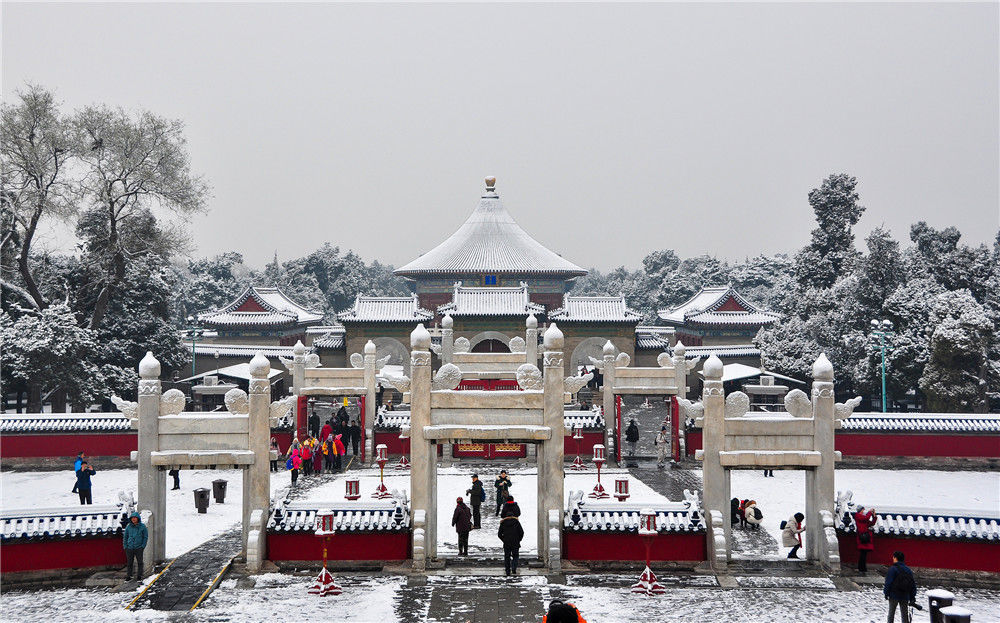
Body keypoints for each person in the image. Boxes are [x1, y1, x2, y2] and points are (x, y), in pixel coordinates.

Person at [884, 550, 917, 623]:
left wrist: (886, 593)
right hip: (905, 595)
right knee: (904, 615)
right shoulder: (908, 570)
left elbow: (888, 582)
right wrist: (912, 596)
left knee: (891, 614)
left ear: (895, 558)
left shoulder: (892, 569)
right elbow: (912, 584)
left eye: (893, 557)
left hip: (893, 595)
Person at [122, 511, 148, 581]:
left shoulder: (142, 527)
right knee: (129, 563)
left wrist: (142, 546)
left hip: (139, 547)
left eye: (135, 518)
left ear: (138, 518)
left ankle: (139, 575)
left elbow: (145, 537)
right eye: (132, 518)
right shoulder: (128, 526)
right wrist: (125, 546)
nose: (133, 519)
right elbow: (125, 537)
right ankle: (129, 575)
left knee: (140, 562)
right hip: (129, 547)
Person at [855, 505, 878, 575]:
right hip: (862, 537)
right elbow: (866, 518)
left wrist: (874, 516)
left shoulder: (863, 518)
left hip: (865, 537)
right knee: (863, 554)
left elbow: (871, 523)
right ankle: (862, 568)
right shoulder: (858, 516)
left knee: (864, 554)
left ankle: (862, 568)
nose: (863, 511)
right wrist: (870, 512)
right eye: (862, 510)